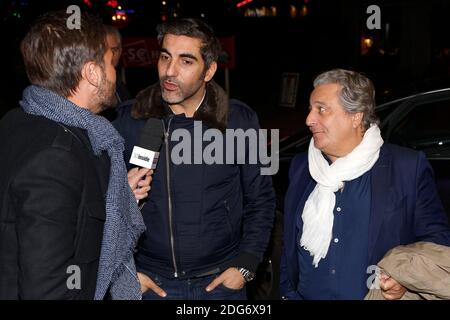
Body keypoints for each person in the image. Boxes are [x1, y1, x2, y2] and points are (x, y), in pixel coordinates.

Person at [113, 18, 275, 300]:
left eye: (186, 61)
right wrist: (122, 271)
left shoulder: (240, 120)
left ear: (209, 70)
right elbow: (99, 205)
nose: (170, 72)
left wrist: (246, 266)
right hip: (149, 282)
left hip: (221, 282)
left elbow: (261, 199)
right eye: (165, 57)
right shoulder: (127, 121)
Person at [0, 11, 151, 299]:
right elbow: (48, 288)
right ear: (92, 73)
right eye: (109, 63)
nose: (113, 73)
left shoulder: (20, 121)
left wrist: (116, 196)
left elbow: (67, 218)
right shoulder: (56, 157)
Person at [280, 68, 450, 300]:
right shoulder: (301, 167)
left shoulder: (406, 167)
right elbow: (288, 244)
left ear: (356, 116)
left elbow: (437, 239)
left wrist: (404, 279)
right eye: (310, 109)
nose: (309, 119)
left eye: (321, 109)